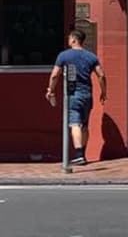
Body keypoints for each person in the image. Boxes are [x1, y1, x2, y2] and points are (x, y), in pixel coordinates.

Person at [46, 29, 106, 165]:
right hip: (87, 94)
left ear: (74, 39)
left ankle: (79, 154)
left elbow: (55, 75)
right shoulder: (91, 56)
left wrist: (51, 89)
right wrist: (103, 92)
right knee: (84, 125)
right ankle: (83, 153)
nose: (68, 41)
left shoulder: (64, 56)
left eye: (69, 38)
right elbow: (101, 75)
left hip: (72, 94)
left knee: (74, 124)